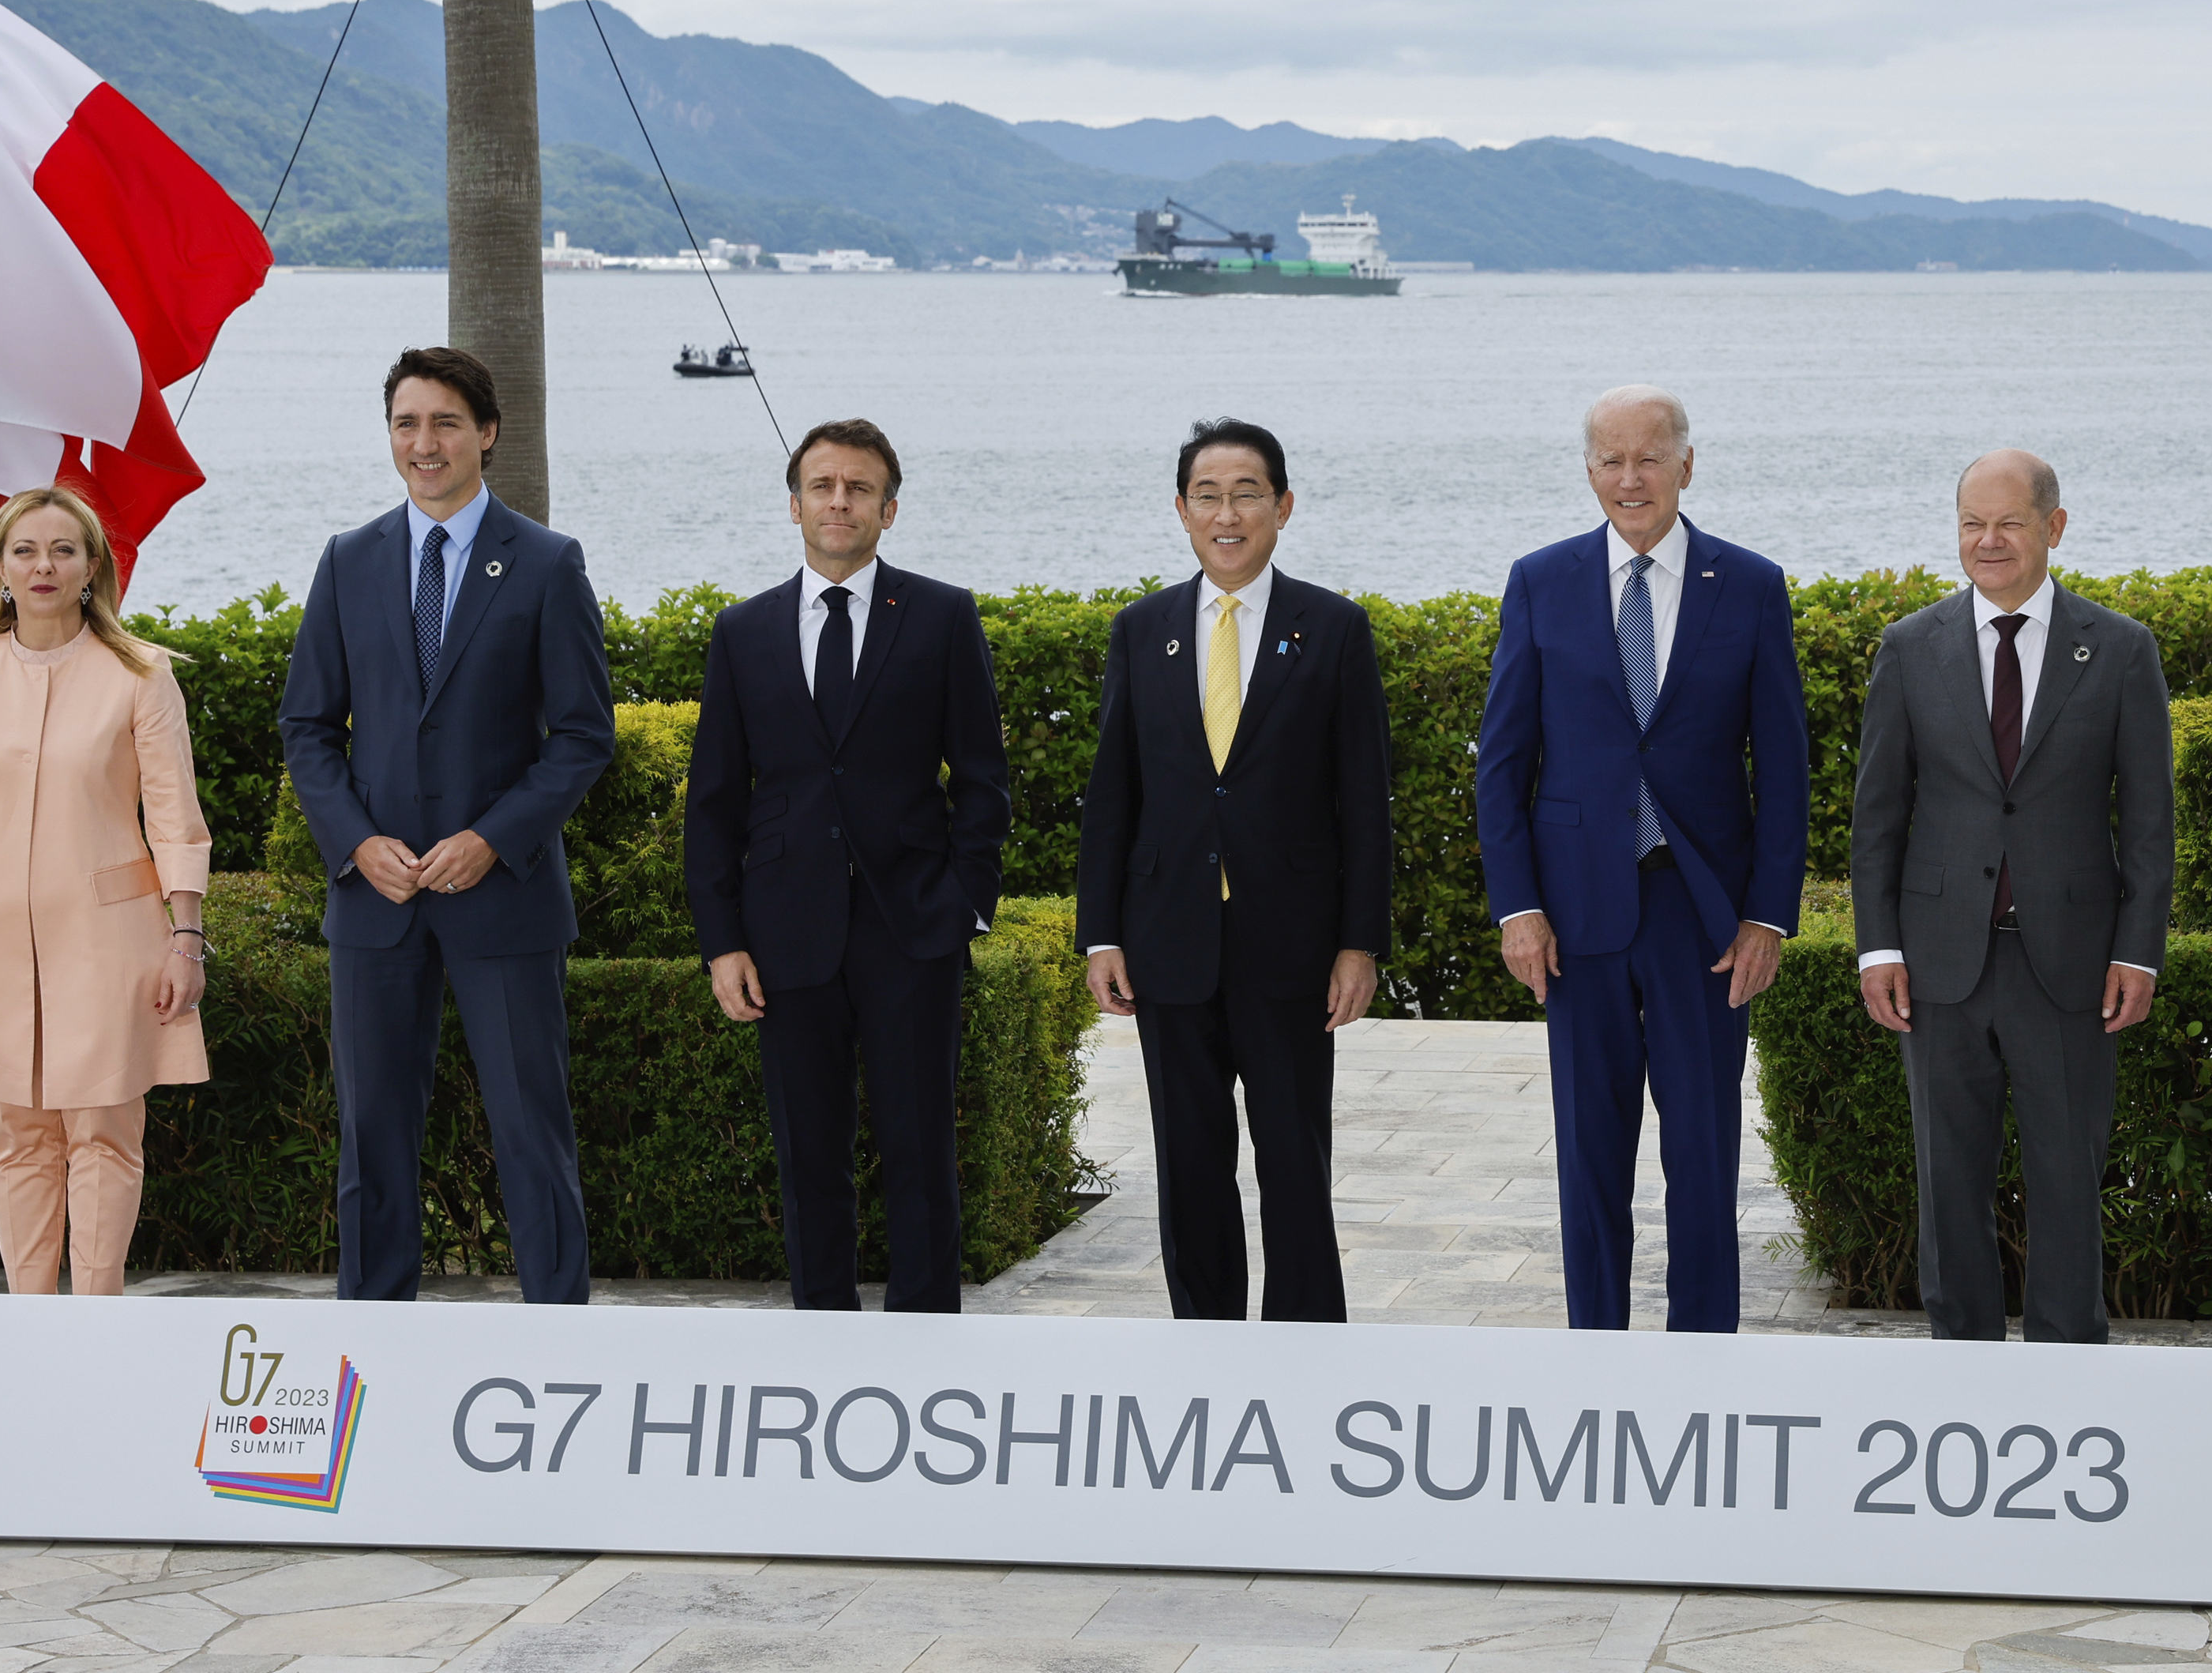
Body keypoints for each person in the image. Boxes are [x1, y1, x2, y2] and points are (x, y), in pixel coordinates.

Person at [279, 347, 616, 1304]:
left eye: (444, 423)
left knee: (531, 1132)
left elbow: (584, 734)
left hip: (500, 897)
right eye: (406, 424)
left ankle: (559, 1333)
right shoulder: (348, 560)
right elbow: (307, 724)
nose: (423, 444)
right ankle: (374, 1336)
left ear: (487, 433)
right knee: (372, 1137)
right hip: (375, 900)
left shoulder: (548, 563)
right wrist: (352, 841)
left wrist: (491, 838)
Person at [1476, 385, 1808, 1332]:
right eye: (1610, 461)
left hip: (1702, 915)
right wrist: (1517, 907)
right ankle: (1597, 1351)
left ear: (1686, 464)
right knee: (1588, 1155)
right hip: (1573, 919)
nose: (1631, 478)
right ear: (1588, 471)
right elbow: (1502, 763)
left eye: (1649, 457)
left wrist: (1767, 914)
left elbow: (1783, 770)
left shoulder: (1747, 585)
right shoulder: (1540, 580)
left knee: (1702, 1154)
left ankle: (1700, 1355)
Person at [683, 419, 1010, 1313]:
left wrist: (963, 904)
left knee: (920, 1153)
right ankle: (821, 1344)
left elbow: (984, 778)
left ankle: (924, 1346)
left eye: (858, 488)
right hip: (785, 934)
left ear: (888, 509)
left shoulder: (941, 615)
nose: (839, 500)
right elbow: (712, 802)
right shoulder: (742, 630)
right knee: (808, 1156)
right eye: (822, 485)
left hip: (913, 928)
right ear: (793, 504)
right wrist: (722, 941)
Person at [1850, 450, 2174, 1344]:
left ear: (2053, 527)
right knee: (1946, 1182)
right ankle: (1961, 1370)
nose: (1985, 541)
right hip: (1938, 965)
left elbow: (2149, 822)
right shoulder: (1910, 647)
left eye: (2007, 523)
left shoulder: (2117, 648)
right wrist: (1877, 946)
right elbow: (1876, 814)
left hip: (2067, 968)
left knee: (2068, 1182)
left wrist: (2136, 949)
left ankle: (2067, 1372)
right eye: (1969, 524)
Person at [1076, 418, 1393, 1324]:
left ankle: (1305, 1346)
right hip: (1168, 941)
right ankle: (1204, 1343)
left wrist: (1357, 942)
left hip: (1289, 945)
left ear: (1282, 506)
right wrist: (1100, 930)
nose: (1227, 512)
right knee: (1188, 1161)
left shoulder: (1330, 628)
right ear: (1180, 511)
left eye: (1246, 492)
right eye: (1207, 495)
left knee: (1294, 1158)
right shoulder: (1141, 631)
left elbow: (1363, 803)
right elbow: (1113, 794)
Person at [0, 487, 212, 1295]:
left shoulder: (140, 673)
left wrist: (186, 936)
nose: (43, 565)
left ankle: (95, 1321)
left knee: (105, 1133)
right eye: (25, 549)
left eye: (63, 549)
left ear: (91, 567)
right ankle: (30, 1327)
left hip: (111, 942)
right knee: (16, 1139)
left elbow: (176, 817)